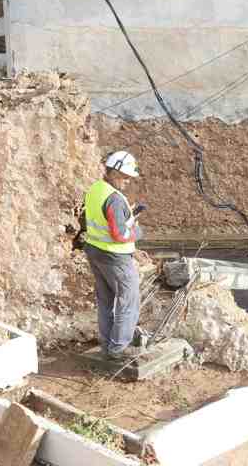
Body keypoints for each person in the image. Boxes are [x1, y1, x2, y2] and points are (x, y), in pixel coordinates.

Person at [81, 150, 147, 361]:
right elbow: (119, 235)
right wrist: (137, 231)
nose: (127, 182)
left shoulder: (96, 189)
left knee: (106, 300)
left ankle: (107, 343)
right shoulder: (115, 199)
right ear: (115, 172)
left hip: (95, 251)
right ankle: (119, 348)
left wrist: (129, 216)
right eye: (125, 177)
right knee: (129, 301)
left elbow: (97, 220)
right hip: (115, 257)